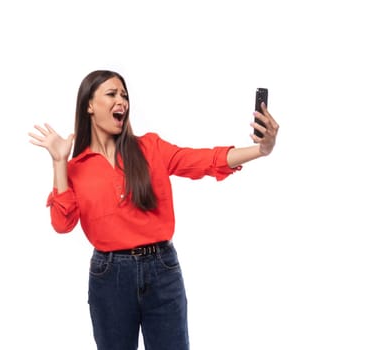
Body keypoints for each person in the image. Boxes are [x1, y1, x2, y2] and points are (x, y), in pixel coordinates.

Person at [28, 70, 279, 350]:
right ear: (89, 105)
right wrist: (60, 162)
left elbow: (205, 160)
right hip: (110, 277)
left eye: (124, 95)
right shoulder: (76, 169)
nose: (121, 101)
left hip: (162, 270)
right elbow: (62, 224)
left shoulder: (150, 148)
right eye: (111, 94)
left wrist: (261, 150)